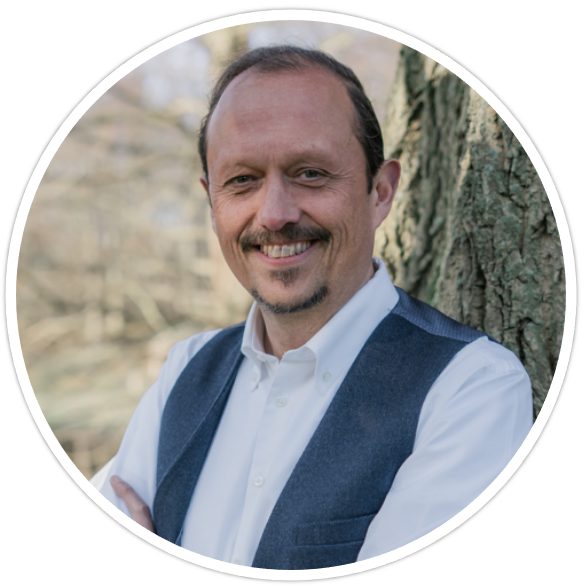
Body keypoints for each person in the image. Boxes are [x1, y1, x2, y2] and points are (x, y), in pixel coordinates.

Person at [91, 45, 533, 570]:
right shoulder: (185, 372)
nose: (274, 214)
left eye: (310, 173)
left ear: (381, 191)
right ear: (212, 202)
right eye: (242, 180)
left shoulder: (470, 389)